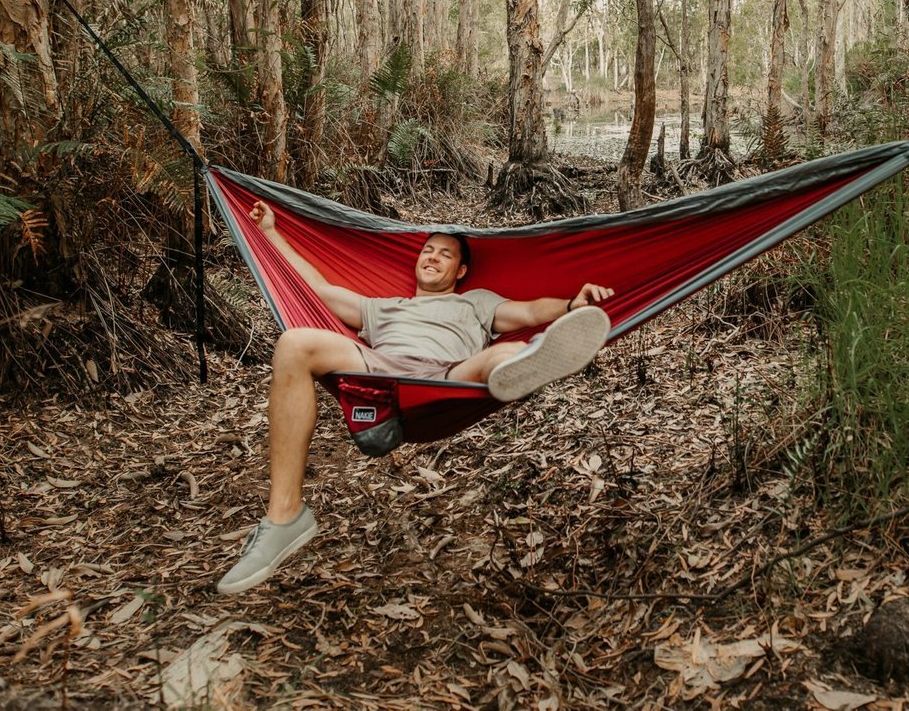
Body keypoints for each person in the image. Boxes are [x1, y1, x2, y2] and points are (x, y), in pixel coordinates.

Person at [218, 200, 614, 595]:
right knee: (294, 342)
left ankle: (530, 363)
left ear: (460, 271)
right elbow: (316, 290)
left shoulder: (475, 302)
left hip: (447, 376)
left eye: (445, 254)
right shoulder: (383, 308)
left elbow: (527, 313)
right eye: (428, 250)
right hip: (377, 369)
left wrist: (569, 306)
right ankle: (285, 516)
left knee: (503, 354)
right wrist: (270, 232)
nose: (433, 257)